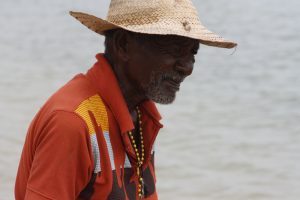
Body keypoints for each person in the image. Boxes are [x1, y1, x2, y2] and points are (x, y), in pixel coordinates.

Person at [15, 0, 237, 199]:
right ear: (123, 45)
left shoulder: (141, 115)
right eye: (174, 49)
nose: (187, 67)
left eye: (192, 53)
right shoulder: (73, 123)